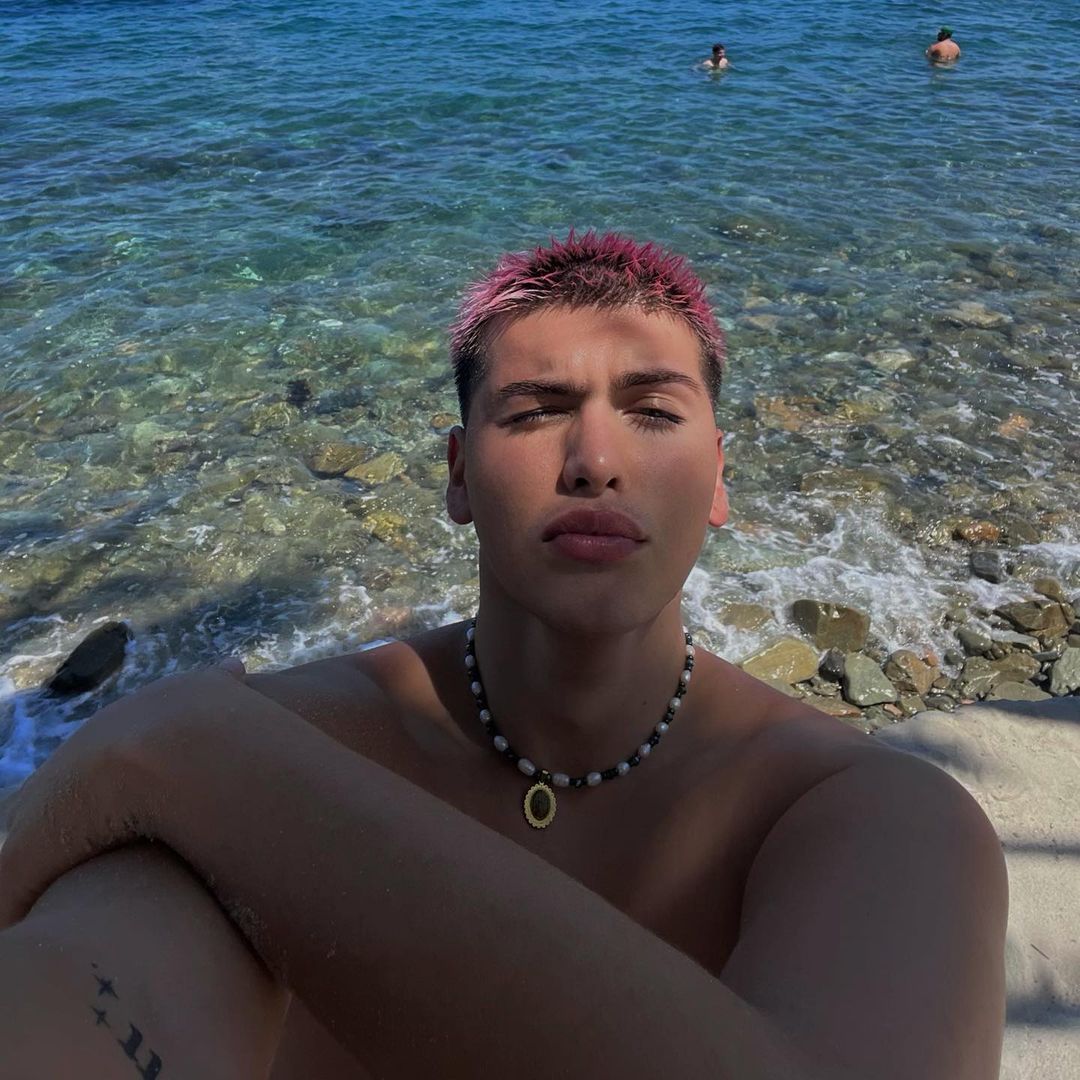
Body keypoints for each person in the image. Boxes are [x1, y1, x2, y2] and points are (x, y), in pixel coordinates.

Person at [0, 232, 1007, 1079]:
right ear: (457, 475)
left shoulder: (864, 815)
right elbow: (88, 995)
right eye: (534, 411)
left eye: (654, 412)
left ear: (717, 480)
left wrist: (184, 750)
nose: (597, 460)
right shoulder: (277, 753)